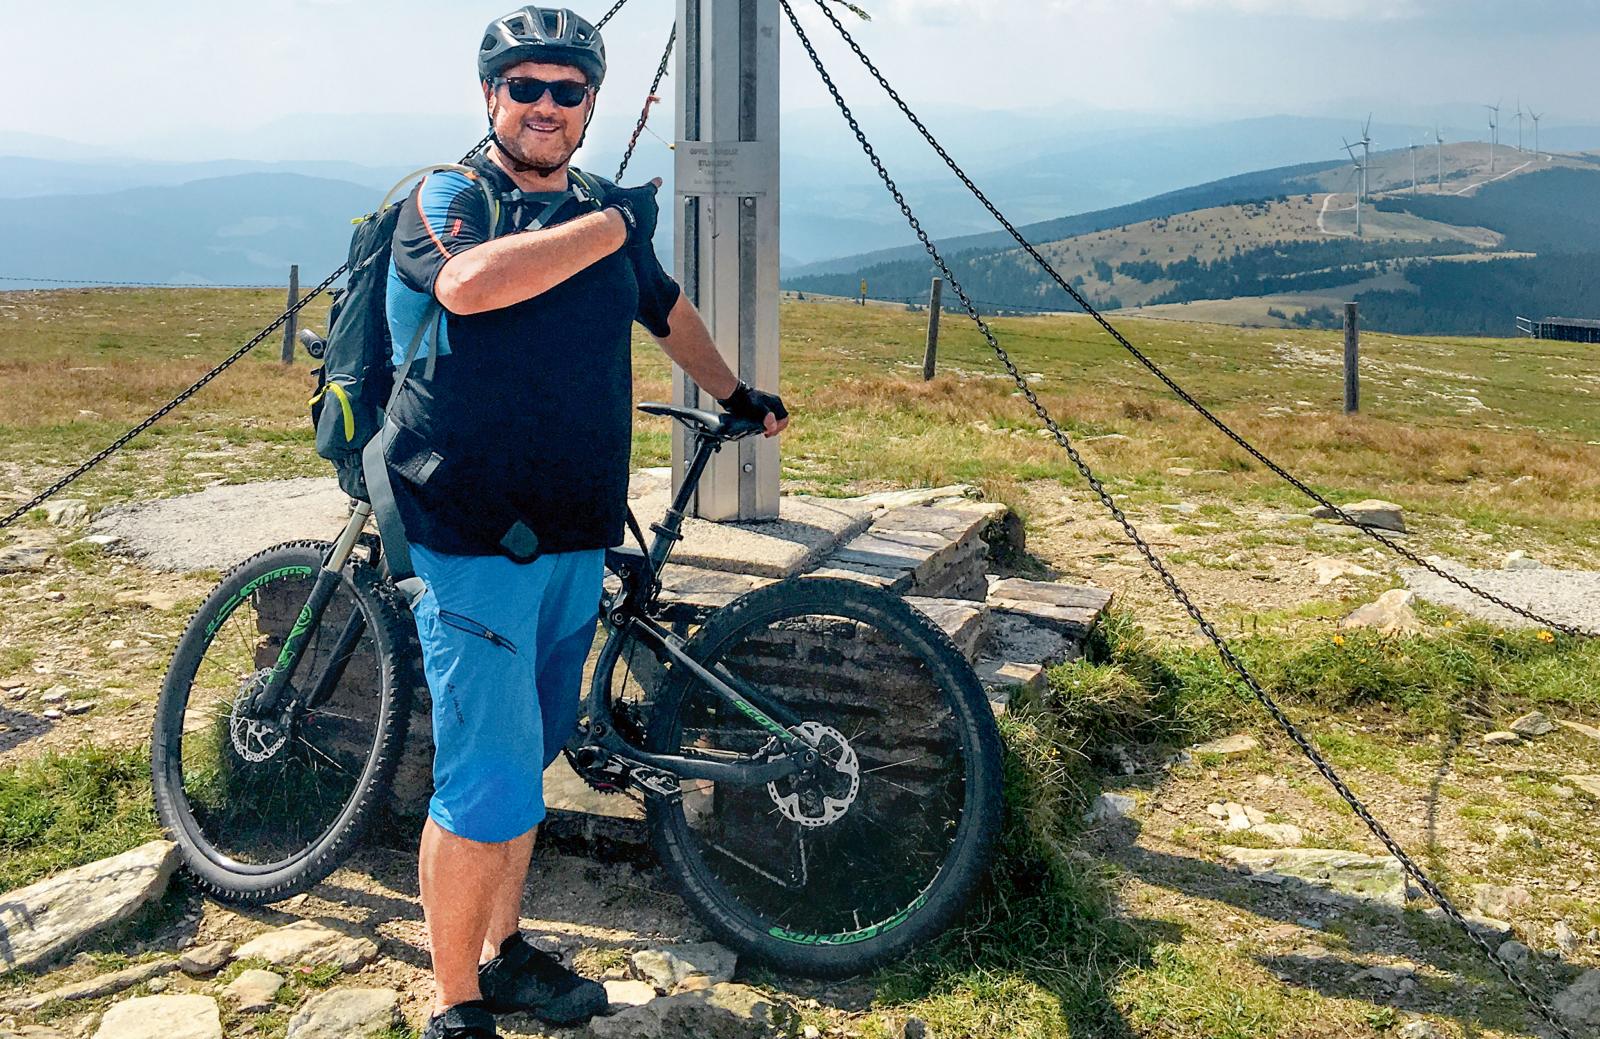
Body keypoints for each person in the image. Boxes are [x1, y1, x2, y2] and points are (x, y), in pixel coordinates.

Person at [383, 8, 790, 1038]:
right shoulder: (448, 197)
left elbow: (665, 310)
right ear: (491, 97)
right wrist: (611, 227)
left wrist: (733, 393)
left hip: (571, 524)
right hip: (472, 530)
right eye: (525, 87)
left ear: (590, 106)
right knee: (483, 773)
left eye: (568, 91)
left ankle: (506, 949)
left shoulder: (603, 211)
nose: (546, 107)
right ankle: (455, 1003)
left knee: (530, 750)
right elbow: (468, 289)